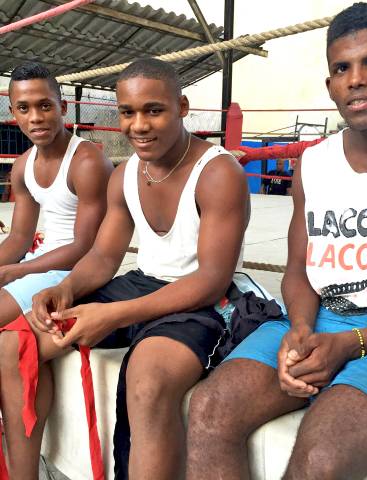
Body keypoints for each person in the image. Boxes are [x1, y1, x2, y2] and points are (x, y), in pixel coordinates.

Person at [186, 3, 367, 480]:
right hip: (320, 317)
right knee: (208, 410)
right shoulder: (315, 164)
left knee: (321, 459)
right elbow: (298, 269)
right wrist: (301, 329)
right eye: (341, 68)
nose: (356, 79)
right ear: (330, 86)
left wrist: (351, 343)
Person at [21, 58, 250, 479]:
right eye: (128, 112)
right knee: (17, 343)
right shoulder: (125, 173)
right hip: (142, 283)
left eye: (154, 110)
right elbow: (105, 257)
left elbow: (210, 278)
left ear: (182, 106)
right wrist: (68, 289)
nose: (139, 125)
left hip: (204, 298)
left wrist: (112, 314)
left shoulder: (218, 172)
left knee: (147, 384)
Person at [0, 61, 113, 477]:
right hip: (38, 263)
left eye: (44, 106)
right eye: (24, 108)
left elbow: (84, 246)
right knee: (17, 350)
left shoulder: (86, 162)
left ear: (62, 106)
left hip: (71, 271)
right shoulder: (23, 165)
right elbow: (17, 240)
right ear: (13, 112)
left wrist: (11, 274)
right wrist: (6, 265)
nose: (35, 117)